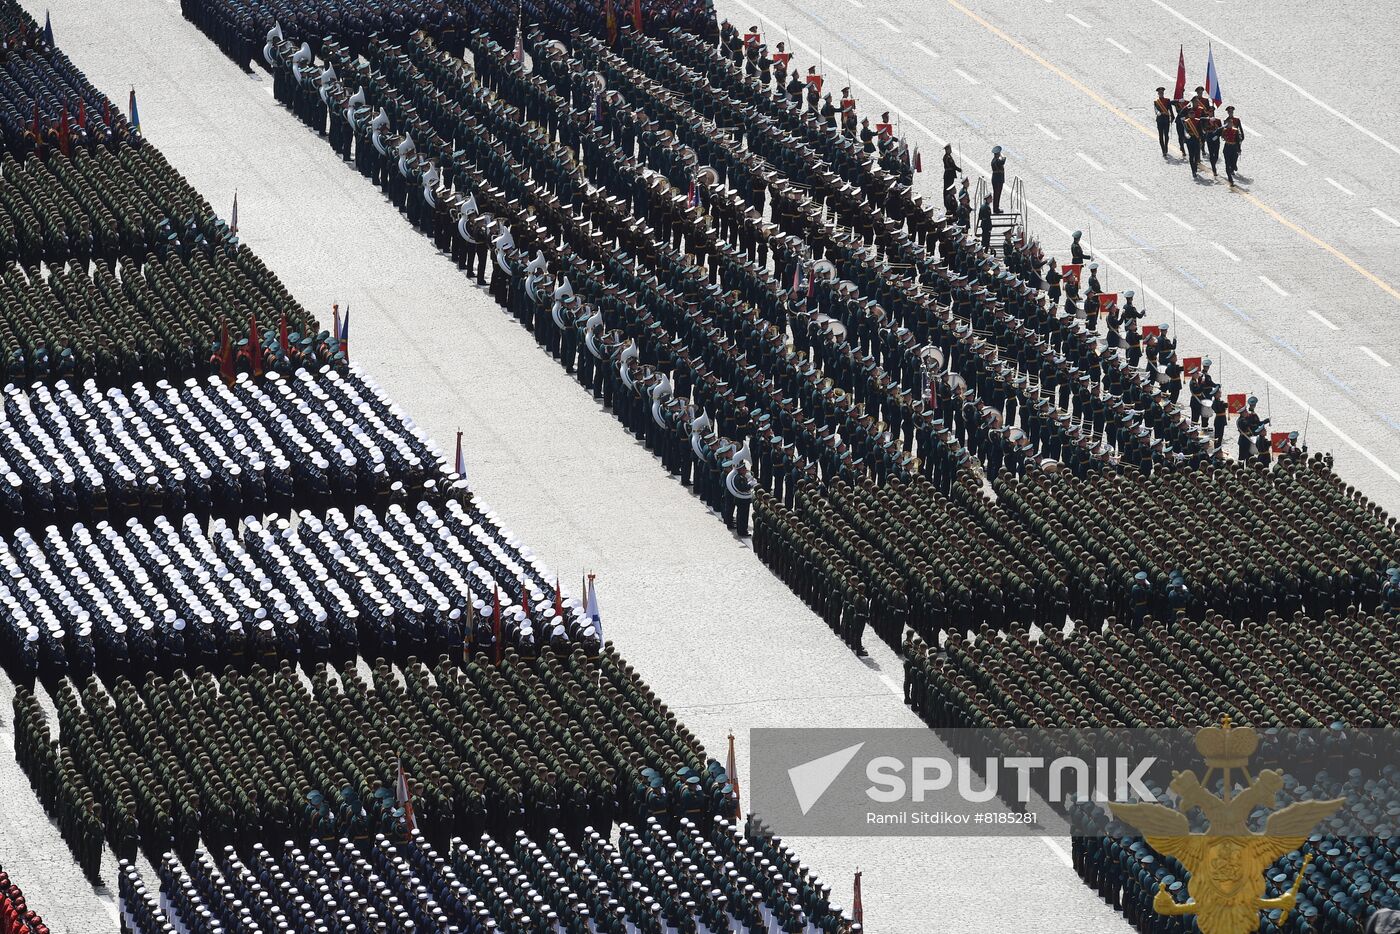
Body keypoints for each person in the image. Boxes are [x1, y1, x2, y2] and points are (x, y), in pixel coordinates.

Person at [1221, 105, 1244, 187]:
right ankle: (1230, 176)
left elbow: (1240, 128)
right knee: (1228, 162)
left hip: (1236, 140)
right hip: (1228, 145)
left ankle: (1234, 165)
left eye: (1231, 111)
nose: (1230, 113)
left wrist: (1242, 137)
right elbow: (1223, 133)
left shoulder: (1237, 120)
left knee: (1235, 157)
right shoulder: (1225, 121)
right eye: (1229, 112)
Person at [1153, 87, 1172, 157]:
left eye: (1162, 93)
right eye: (1160, 93)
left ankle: (1166, 146)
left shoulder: (1167, 100)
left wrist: (1172, 117)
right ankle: (1163, 150)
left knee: (1166, 134)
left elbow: (1170, 109)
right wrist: (1158, 112)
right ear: (1158, 94)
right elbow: (1155, 109)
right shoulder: (1156, 101)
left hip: (1166, 119)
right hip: (1160, 120)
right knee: (1161, 135)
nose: (1161, 94)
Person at [990, 145, 1006, 212]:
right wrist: (1003, 156)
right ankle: (995, 209)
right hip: (997, 180)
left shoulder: (995, 160)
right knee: (996, 195)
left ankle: (996, 208)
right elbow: (1003, 161)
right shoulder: (996, 161)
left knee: (997, 194)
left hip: (998, 179)